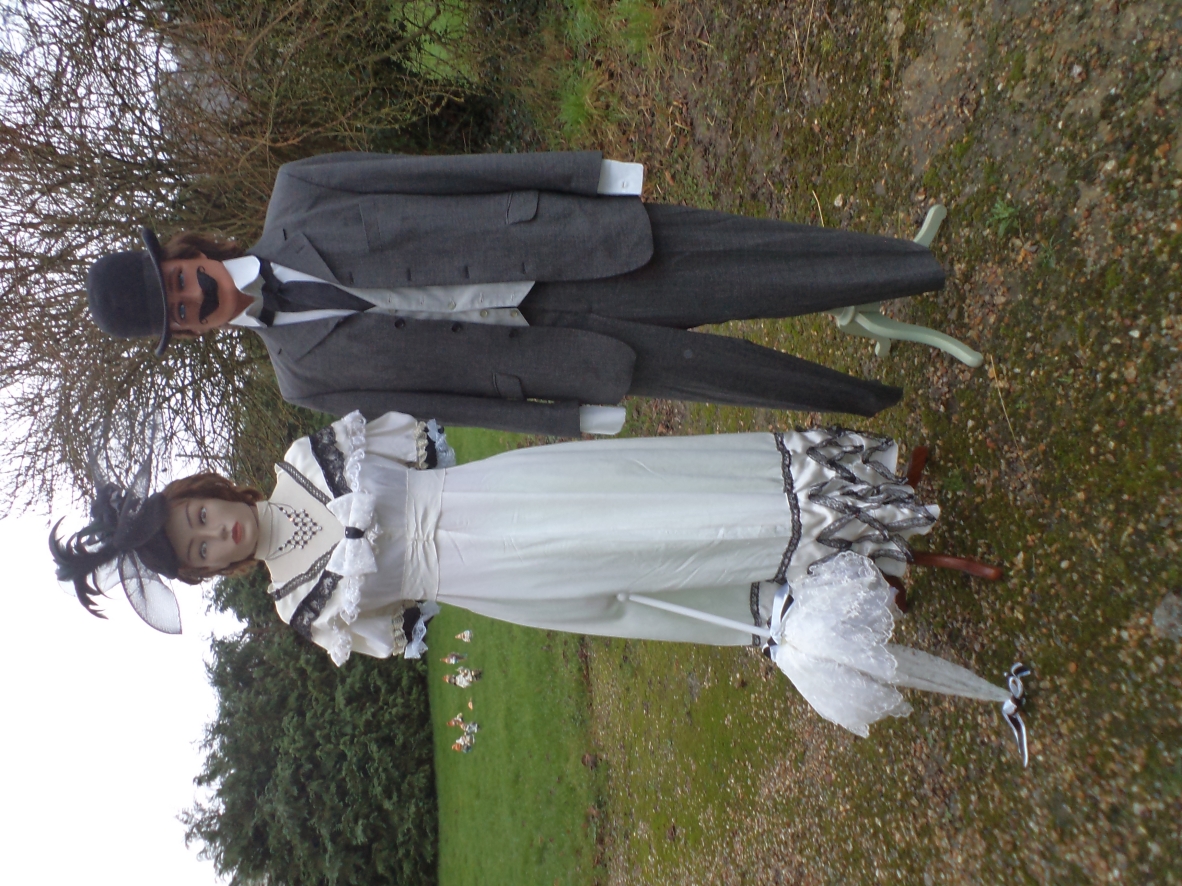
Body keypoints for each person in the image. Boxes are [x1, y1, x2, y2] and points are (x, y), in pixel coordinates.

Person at [51, 411, 1029, 762]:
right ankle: (853, 565)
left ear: (209, 491)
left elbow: (415, 445)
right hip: (510, 574)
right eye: (200, 550)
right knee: (651, 564)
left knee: (654, 501)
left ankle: (863, 503)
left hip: (514, 491)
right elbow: (398, 619)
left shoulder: (317, 455)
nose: (214, 533)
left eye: (199, 516)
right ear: (212, 572)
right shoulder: (306, 610)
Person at [83, 151, 948, 436]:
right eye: (181, 314)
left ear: (185, 255)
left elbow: (441, 176)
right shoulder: (301, 381)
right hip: (561, 356)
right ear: (188, 333)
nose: (194, 298)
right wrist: (562, 419)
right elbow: (438, 405)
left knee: (757, 261)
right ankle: (871, 398)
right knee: (737, 376)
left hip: (563, 240)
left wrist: (582, 176)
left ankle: (910, 268)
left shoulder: (299, 191)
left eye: (178, 282)